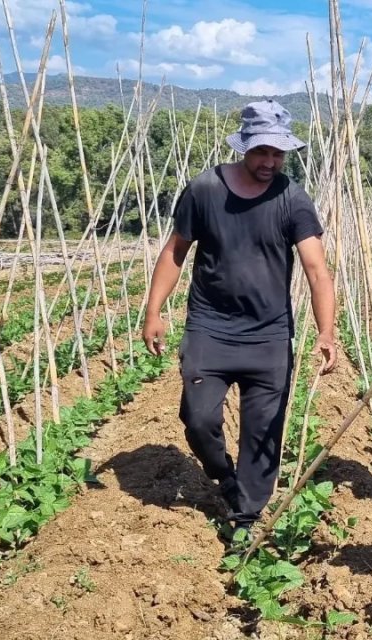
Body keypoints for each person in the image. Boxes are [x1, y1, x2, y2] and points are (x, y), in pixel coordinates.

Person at [143, 99, 338, 541]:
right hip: (209, 328)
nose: (270, 161)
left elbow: (315, 269)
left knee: (263, 433)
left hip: (269, 335)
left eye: (278, 153)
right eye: (262, 152)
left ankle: (246, 515)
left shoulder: (292, 197)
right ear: (244, 147)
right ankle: (223, 476)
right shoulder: (205, 189)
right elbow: (176, 251)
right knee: (198, 418)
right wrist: (153, 312)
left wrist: (326, 331)